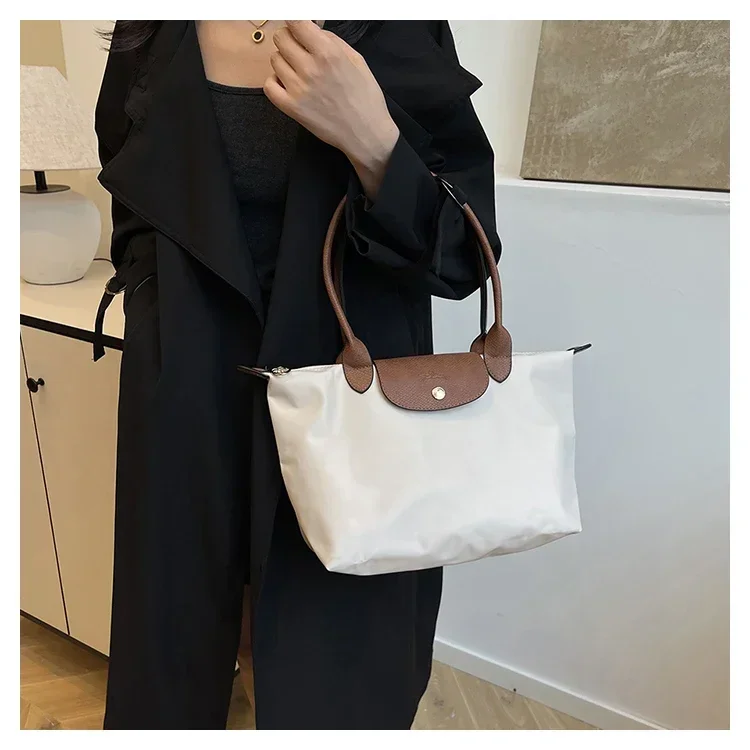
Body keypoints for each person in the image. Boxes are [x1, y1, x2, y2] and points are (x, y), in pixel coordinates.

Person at [93, 19, 502, 730]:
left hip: (352, 399)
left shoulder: (396, 25)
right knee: (175, 655)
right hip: (187, 393)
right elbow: (131, 200)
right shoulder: (151, 30)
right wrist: (152, 307)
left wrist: (373, 141)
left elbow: (465, 255)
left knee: (334, 679)